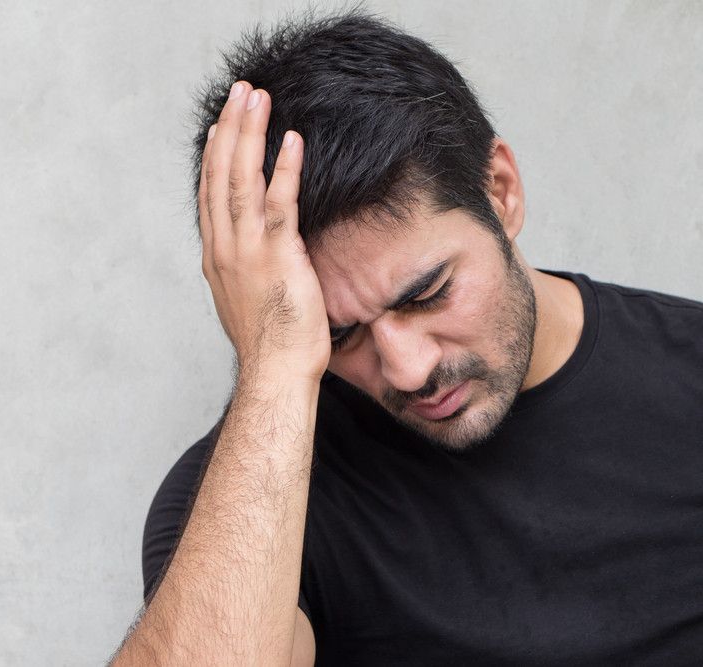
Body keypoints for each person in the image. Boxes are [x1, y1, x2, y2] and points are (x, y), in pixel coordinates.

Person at [110, 9, 703, 665]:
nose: (408, 369)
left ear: (501, 192)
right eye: (340, 334)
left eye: (427, 293)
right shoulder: (234, 511)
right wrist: (275, 362)